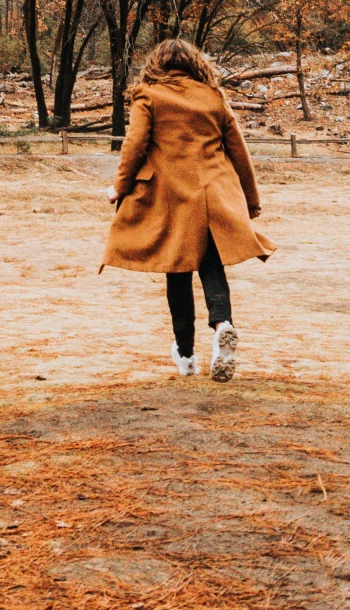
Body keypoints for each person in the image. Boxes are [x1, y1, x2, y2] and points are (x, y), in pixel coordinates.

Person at [102, 38, 273, 380]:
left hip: (171, 196)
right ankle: (223, 323)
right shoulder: (212, 96)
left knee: (177, 272)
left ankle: (187, 356)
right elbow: (239, 150)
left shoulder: (149, 96)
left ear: (157, 65)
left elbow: (134, 146)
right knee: (211, 266)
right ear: (196, 63)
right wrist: (251, 200)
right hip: (214, 193)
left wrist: (119, 187)